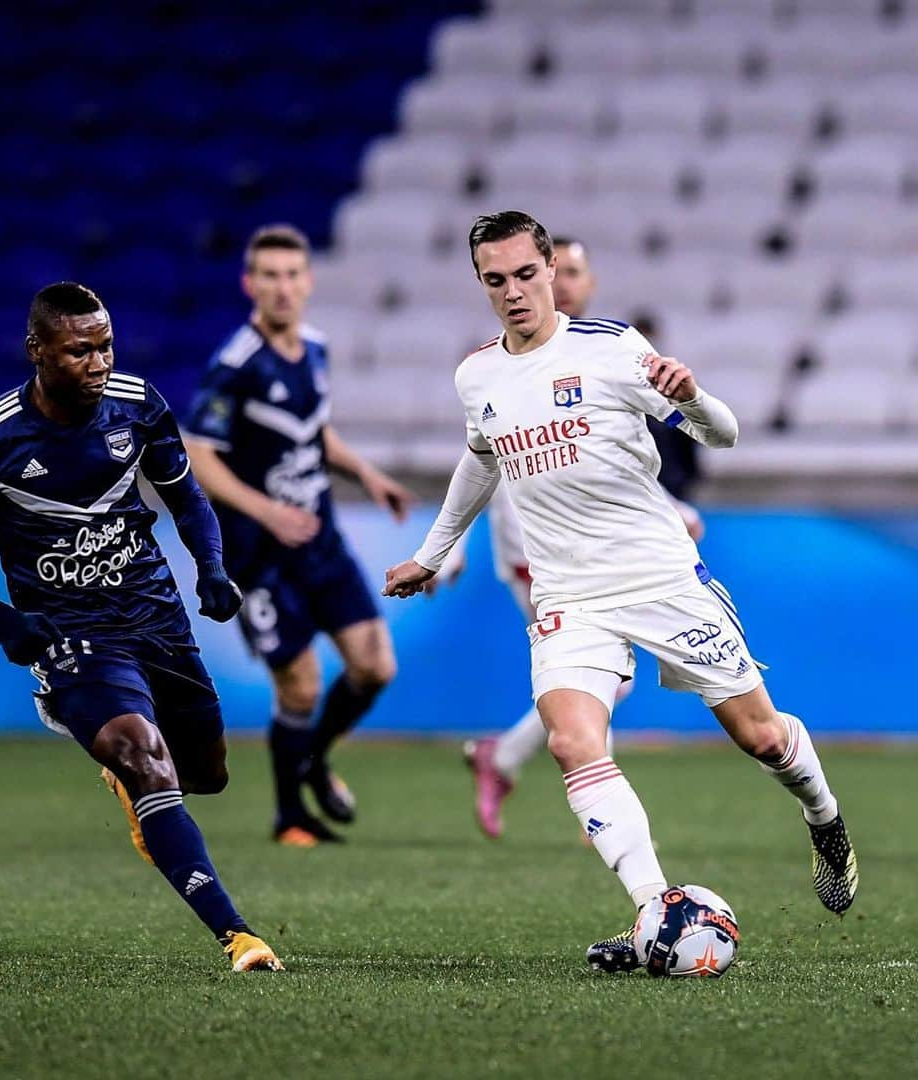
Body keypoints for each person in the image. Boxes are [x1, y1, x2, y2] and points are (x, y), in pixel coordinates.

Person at [383, 211, 858, 972]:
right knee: (573, 740)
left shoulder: (610, 349)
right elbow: (481, 461)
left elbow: (724, 434)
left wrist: (694, 396)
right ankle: (654, 910)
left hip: (661, 576)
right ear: (481, 283)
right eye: (494, 280)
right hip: (569, 593)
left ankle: (825, 819)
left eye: (525, 275)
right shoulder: (478, 375)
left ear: (551, 270)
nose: (513, 293)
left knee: (761, 737)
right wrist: (432, 554)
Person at [0, 282, 283, 973]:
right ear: (38, 352)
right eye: (79, 350)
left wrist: (211, 569)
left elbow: (187, 496)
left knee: (207, 774)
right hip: (70, 634)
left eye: (105, 344)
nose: (98, 361)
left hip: (155, 615)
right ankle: (238, 936)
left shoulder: (139, 407)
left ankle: (131, 784)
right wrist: (1, 622)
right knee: (143, 755)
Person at [442, 238, 704, 838]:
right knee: (602, 674)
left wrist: (671, 506)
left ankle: (519, 767)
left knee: (603, 677)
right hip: (538, 551)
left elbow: (608, 466)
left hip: (599, 548)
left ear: (577, 280)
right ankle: (594, 813)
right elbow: (482, 459)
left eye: (569, 273)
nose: (554, 288)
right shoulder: (500, 365)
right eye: (512, 278)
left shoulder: (605, 354)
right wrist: (448, 545)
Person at [183, 224, 413, 847]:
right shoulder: (235, 366)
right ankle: (290, 816)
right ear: (249, 284)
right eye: (269, 276)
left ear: (308, 282)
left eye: (292, 275)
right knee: (302, 681)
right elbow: (199, 454)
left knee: (374, 665)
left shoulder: (314, 349)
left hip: (320, 538)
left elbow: (313, 431)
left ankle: (311, 757)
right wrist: (266, 511)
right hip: (259, 553)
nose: (282, 288)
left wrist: (364, 472)